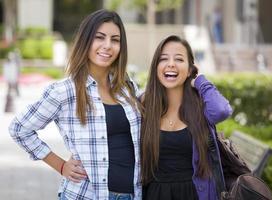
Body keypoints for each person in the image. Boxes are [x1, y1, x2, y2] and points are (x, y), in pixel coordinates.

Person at [9, 9, 142, 200]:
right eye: (99, 37)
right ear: (85, 40)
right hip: (86, 195)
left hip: (133, 195)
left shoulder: (128, 89)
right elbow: (19, 128)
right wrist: (61, 165)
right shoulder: (65, 90)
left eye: (115, 40)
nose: (107, 46)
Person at [141, 35, 232, 200]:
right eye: (163, 59)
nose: (171, 64)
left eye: (179, 59)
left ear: (190, 69)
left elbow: (221, 110)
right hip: (155, 194)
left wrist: (200, 81)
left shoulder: (200, 106)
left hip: (196, 193)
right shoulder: (145, 105)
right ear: (156, 67)